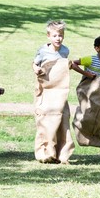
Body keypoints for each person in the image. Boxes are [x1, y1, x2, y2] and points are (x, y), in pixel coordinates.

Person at [32, 20, 75, 164]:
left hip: (60, 93)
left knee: (63, 121)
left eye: (61, 35)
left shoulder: (65, 51)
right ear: (49, 36)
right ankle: (46, 153)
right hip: (47, 92)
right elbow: (35, 63)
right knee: (46, 120)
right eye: (55, 35)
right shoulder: (43, 50)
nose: (58, 38)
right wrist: (36, 69)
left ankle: (62, 155)